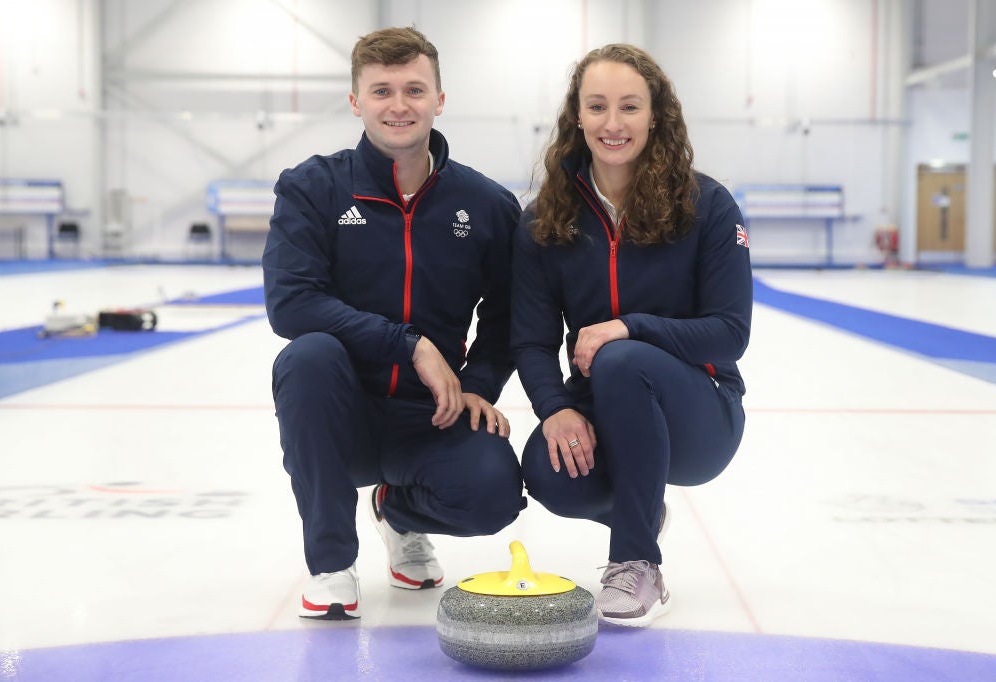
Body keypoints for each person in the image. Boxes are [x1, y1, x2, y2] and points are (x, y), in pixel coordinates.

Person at [263, 26, 525, 621]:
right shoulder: (313, 188)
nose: (399, 105)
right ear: (356, 102)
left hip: (433, 414)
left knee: (493, 494)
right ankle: (330, 565)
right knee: (306, 357)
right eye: (381, 91)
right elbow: (291, 302)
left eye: (414, 89)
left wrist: (480, 386)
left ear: (439, 98)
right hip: (341, 413)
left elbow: (509, 315)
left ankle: (397, 513)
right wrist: (407, 345)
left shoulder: (485, 205)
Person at [511, 44, 752, 628]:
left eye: (629, 107)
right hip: (604, 403)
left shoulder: (708, 206)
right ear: (577, 117)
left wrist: (632, 327)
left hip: (702, 412)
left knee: (620, 358)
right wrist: (555, 410)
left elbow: (729, 334)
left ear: (655, 115)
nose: (612, 124)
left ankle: (637, 559)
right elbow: (531, 340)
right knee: (548, 474)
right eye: (597, 107)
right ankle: (642, 509)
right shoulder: (547, 219)